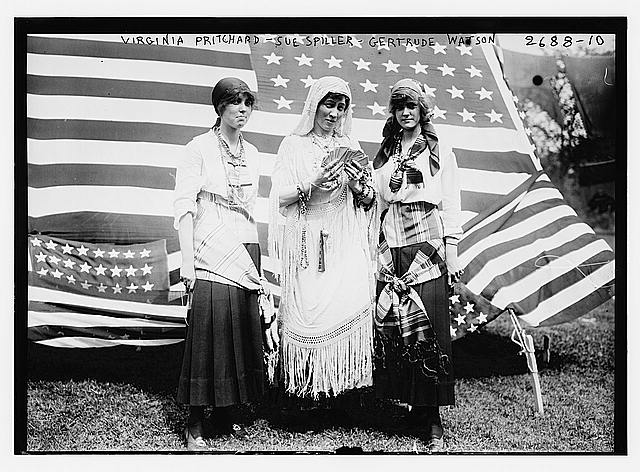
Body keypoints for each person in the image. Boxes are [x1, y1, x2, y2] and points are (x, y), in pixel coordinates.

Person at [173, 77, 278, 451]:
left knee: (238, 329)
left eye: (248, 103)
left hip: (244, 244)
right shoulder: (197, 148)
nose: (243, 109)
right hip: (209, 242)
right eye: (236, 102)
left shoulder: (253, 152)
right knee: (209, 331)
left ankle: (227, 411)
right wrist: (187, 260)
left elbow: (254, 206)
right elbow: (184, 206)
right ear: (219, 107)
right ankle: (196, 422)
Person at [268, 76, 377, 401]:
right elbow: (279, 198)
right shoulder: (293, 145)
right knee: (308, 309)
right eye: (329, 105)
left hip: (344, 238)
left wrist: (359, 187)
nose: (334, 114)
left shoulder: (352, 147)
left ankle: (339, 390)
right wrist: (310, 183)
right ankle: (306, 392)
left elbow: (370, 200)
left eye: (341, 108)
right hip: (308, 239)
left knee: (346, 303)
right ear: (315, 105)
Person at [371, 78, 463, 451]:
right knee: (400, 325)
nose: (406, 112)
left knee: (430, 327)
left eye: (412, 106)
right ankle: (411, 405)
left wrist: (452, 251)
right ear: (392, 112)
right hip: (392, 242)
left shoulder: (439, 151)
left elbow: (450, 201)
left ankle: (433, 417)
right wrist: (388, 184)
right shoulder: (385, 152)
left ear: (423, 110)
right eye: (399, 106)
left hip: (427, 241)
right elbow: (380, 197)